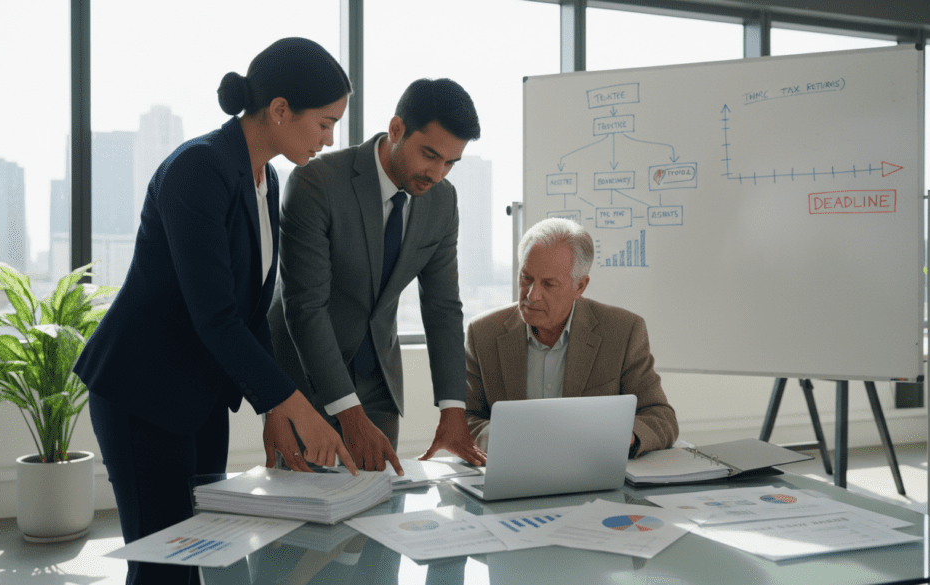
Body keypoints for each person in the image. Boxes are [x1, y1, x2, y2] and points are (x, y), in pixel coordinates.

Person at [73, 38, 358, 585]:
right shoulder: (199, 168)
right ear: (279, 110)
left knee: (201, 553)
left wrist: (272, 409)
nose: (329, 138)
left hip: (200, 396)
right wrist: (294, 405)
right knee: (163, 565)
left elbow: (251, 307)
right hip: (143, 392)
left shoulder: (264, 177)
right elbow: (215, 316)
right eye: (324, 123)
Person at [268, 78, 487, 473]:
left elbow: (442, 307)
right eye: (430, 155)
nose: (437, 173)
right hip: (308, 382)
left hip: (380, 384)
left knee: (378, 513)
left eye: (451, 163)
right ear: (397, 129)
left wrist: (453, 409)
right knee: (305, 519)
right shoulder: (316, 183)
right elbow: (305, 308)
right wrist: (349, 414)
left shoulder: (442, 200)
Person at [465, 218, 679, 457]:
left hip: (592, 472)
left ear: (580, 286)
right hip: (513, 470)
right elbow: (463, 420)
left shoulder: (623, 331)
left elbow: (661, 418)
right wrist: (506, 437)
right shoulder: (483, 334)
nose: (532, 295)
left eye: (548, 284)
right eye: (526, 278)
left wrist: (621, 436)